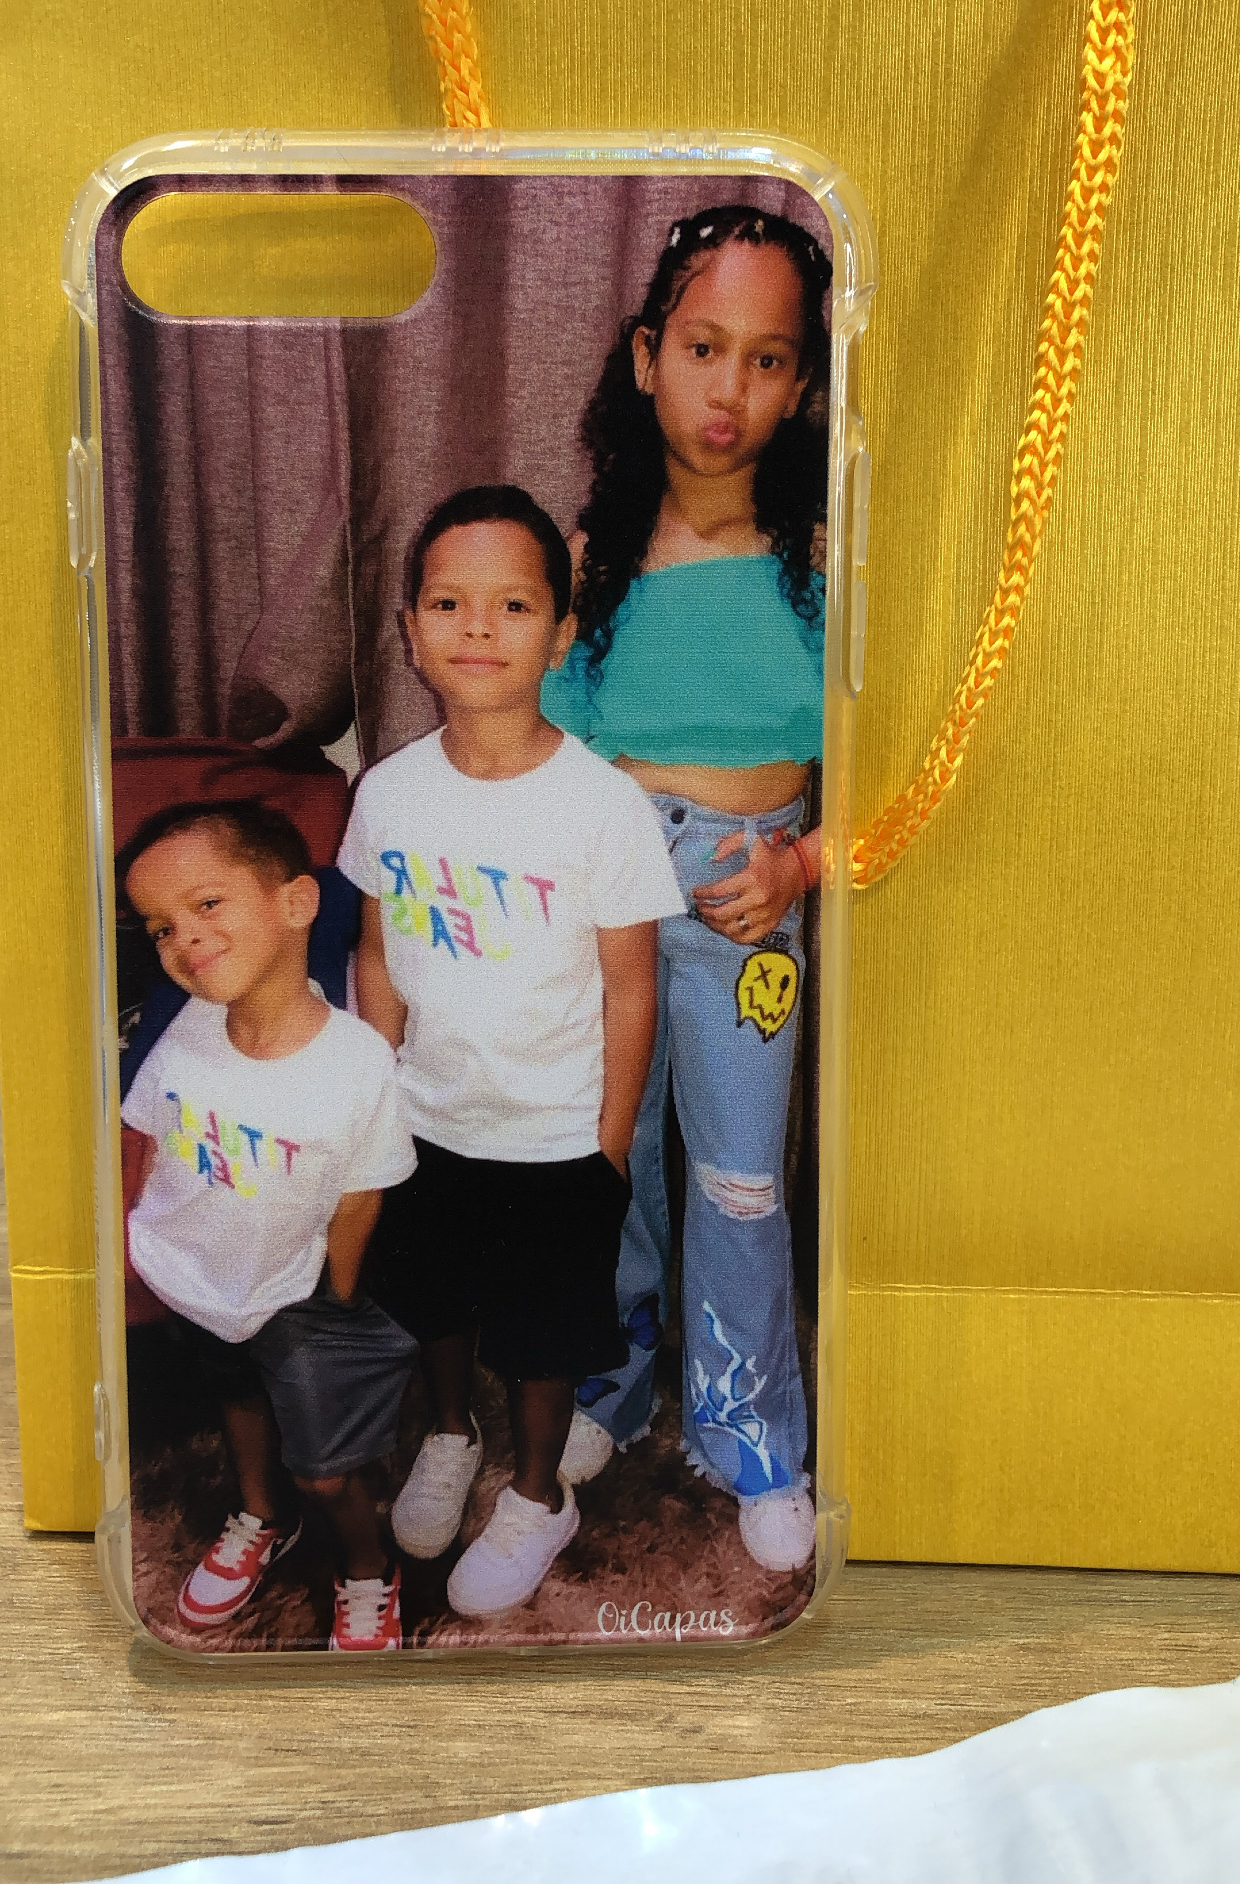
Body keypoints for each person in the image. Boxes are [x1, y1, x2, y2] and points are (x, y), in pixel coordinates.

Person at [541, 204, 831, 1574]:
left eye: (767, 359)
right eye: (703, 347)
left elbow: (903, 759)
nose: (730, 389)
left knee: (739, 1180)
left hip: (743, 891)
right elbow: (546, 745)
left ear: (803, 381)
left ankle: (751, 1429)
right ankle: (606, 1385)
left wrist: (800, 864)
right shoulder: (591, 553)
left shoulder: (822, 554)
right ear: (647, 355)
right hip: (604, 886)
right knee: (604, 1160)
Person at [340, 485, 684, 1618]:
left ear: (562, 632)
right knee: (434, 1301)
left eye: (515, 605)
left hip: (555, 1134)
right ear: (411, 631)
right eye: (449, 603)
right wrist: (374, 1096)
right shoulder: (389, 793)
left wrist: (610, 1144)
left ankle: (539, 1493)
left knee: (544, 1338)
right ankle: (450, 1433)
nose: (479, 627)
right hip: (426, 1118)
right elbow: (379, 956)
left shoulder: (603, 806)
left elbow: (631, 988)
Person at [119, 800, 418, 1651]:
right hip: (197, 1274)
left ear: (295, 903)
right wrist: (154, 1242)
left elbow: (363, 1191)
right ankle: (260, 1515)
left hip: (299, 1291)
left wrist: (337, 1293)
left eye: (206, 904)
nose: (184, 939)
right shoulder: (183, 1027)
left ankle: (368, 1565)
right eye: (161, 927)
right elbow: (150, 1132)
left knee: (326, 1470)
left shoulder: (355, 1060)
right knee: (238, 1397)